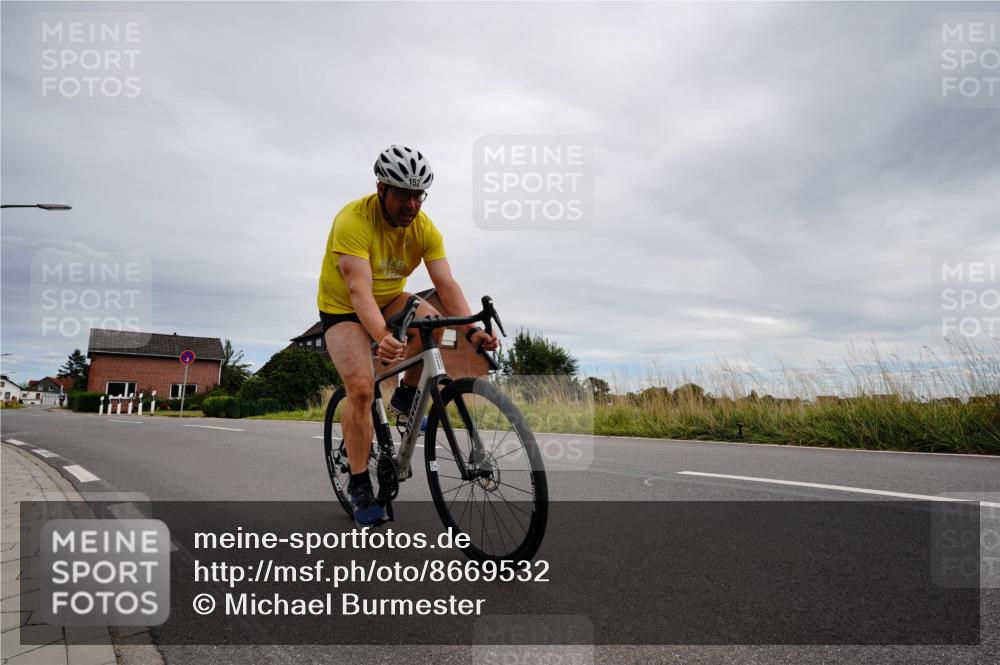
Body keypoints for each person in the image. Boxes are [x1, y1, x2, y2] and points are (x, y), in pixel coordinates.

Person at [317, 145, 499, 525]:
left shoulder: (424, 228)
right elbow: (358, 291)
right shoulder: (353, 220)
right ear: (381, 187)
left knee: (432, 322)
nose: (412, 204)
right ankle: (359, 481)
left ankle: (404, 397)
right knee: (363, 390)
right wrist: (382, 334)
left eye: (419, 195)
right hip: (343, 310)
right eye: (403, 194)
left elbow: (445, 284)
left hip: (391, 298)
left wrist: (472, 330)